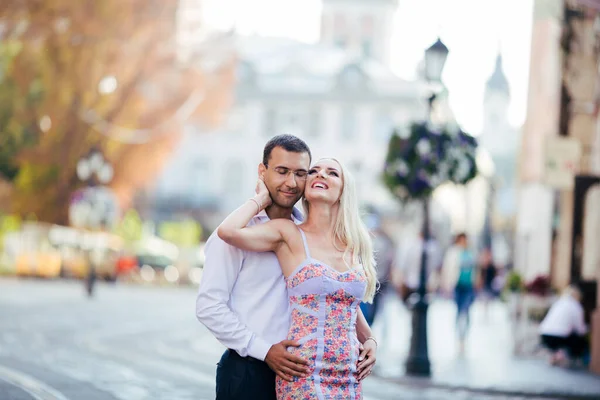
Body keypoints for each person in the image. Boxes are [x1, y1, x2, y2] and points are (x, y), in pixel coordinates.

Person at [196, 135, 376, 400]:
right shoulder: (240, 232)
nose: (291, 182)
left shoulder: (309, 235)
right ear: (263, 171)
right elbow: (209, 307)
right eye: (282, 171)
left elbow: (335, 295)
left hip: (305, 372)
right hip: (250, 370)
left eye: (301, 173)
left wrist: (368, 337)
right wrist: (264, 350)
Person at [441, 232, 478, 353]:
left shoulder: (471, 252)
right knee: (458, 310)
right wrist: (446, 285)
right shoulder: (453, 252)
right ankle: (458, 336)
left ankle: (464, 337)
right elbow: (447, 269)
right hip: (457, 285)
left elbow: (476, 268)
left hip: (468, 286)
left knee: (466, 311)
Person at [539, 285, 588, 366]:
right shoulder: (576, 306)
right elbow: (580, 329)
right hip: (560, 337)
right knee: (579, 339)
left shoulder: (558, 303)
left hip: (544, 334)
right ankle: (564, 355)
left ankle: (558, 354)